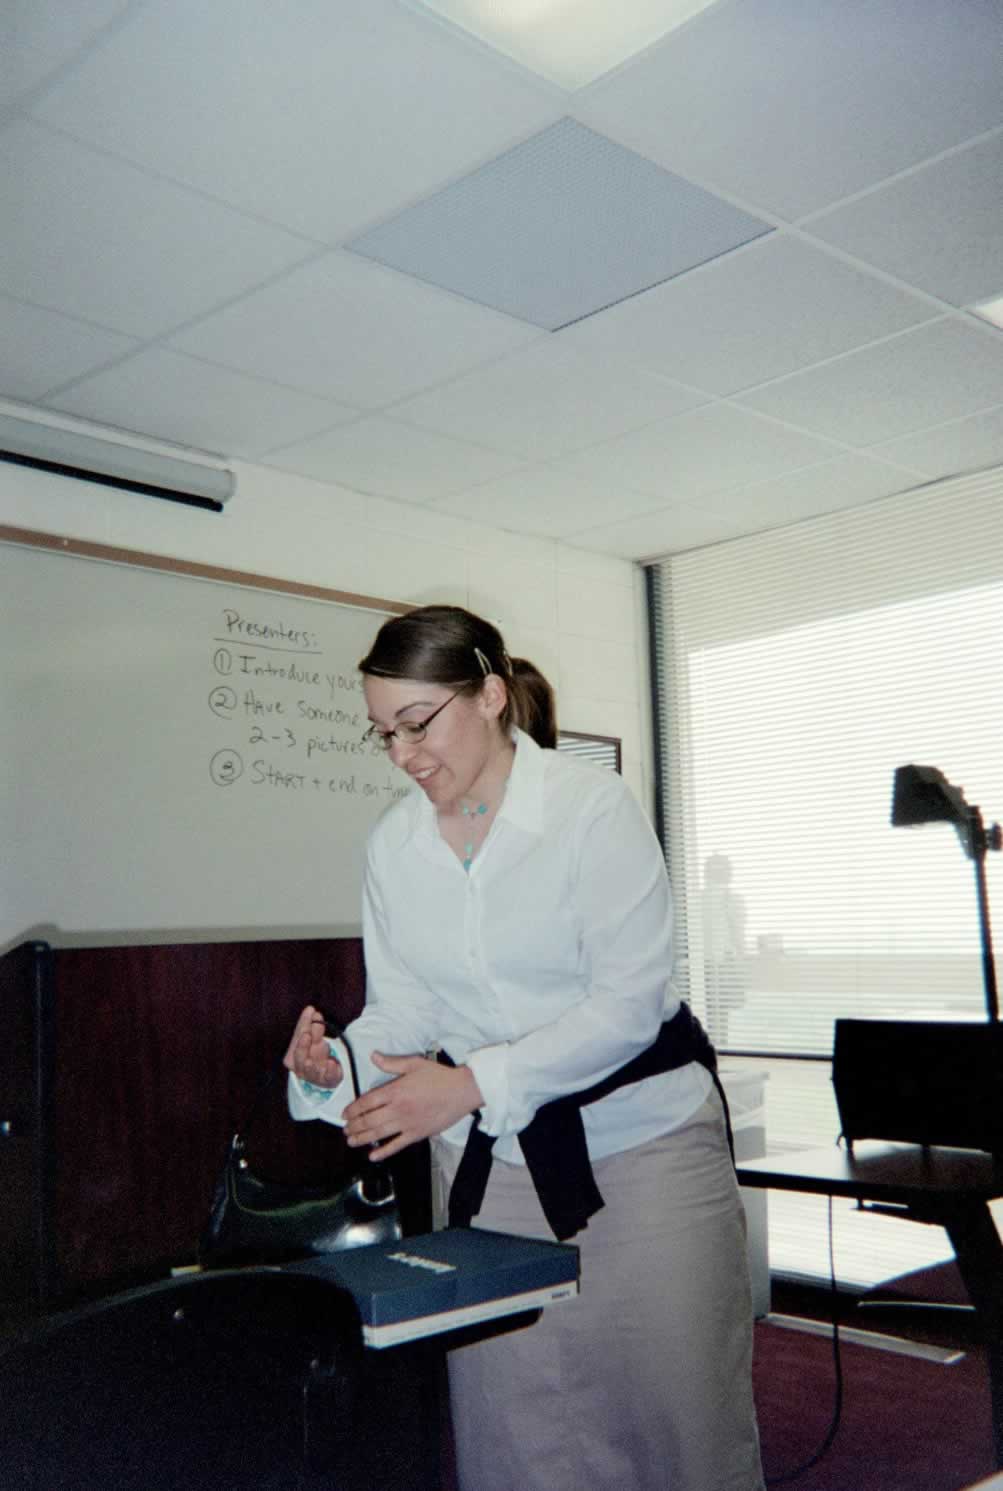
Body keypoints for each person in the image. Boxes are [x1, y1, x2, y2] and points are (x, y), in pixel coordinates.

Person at [284, 604, 764, 1491]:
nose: (400, 754)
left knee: (679, 1422)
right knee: (517, 1431)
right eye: (381, 732)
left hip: (642, 1148)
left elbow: (626, 1005)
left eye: (417, 723)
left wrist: (468, 1085)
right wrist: (337, 1067)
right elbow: (405, 1006)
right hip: (493, 1164)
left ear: (492, 696)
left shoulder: (591, 811)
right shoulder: (393, 847)